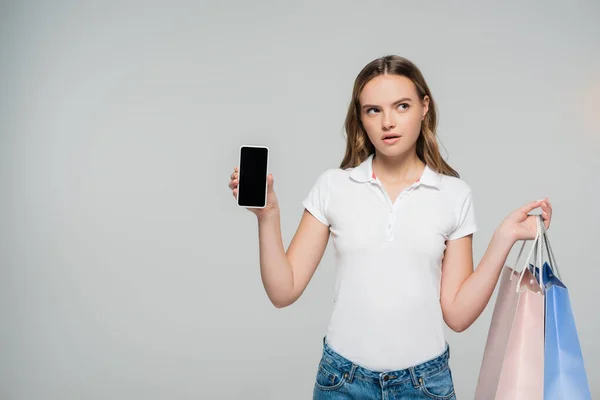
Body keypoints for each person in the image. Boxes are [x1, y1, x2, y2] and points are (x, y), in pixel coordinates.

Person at [228, 55, 553, 399]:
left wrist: (504, 237)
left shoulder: (453, 194)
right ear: (360, 117)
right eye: (373, 110)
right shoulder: (333, 186)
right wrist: (269, 216)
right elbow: (283, 291)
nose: (388, 122)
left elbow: (457, 315)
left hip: (425, 385)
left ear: (424, 107)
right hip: (342, 383)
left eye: (401, 106)